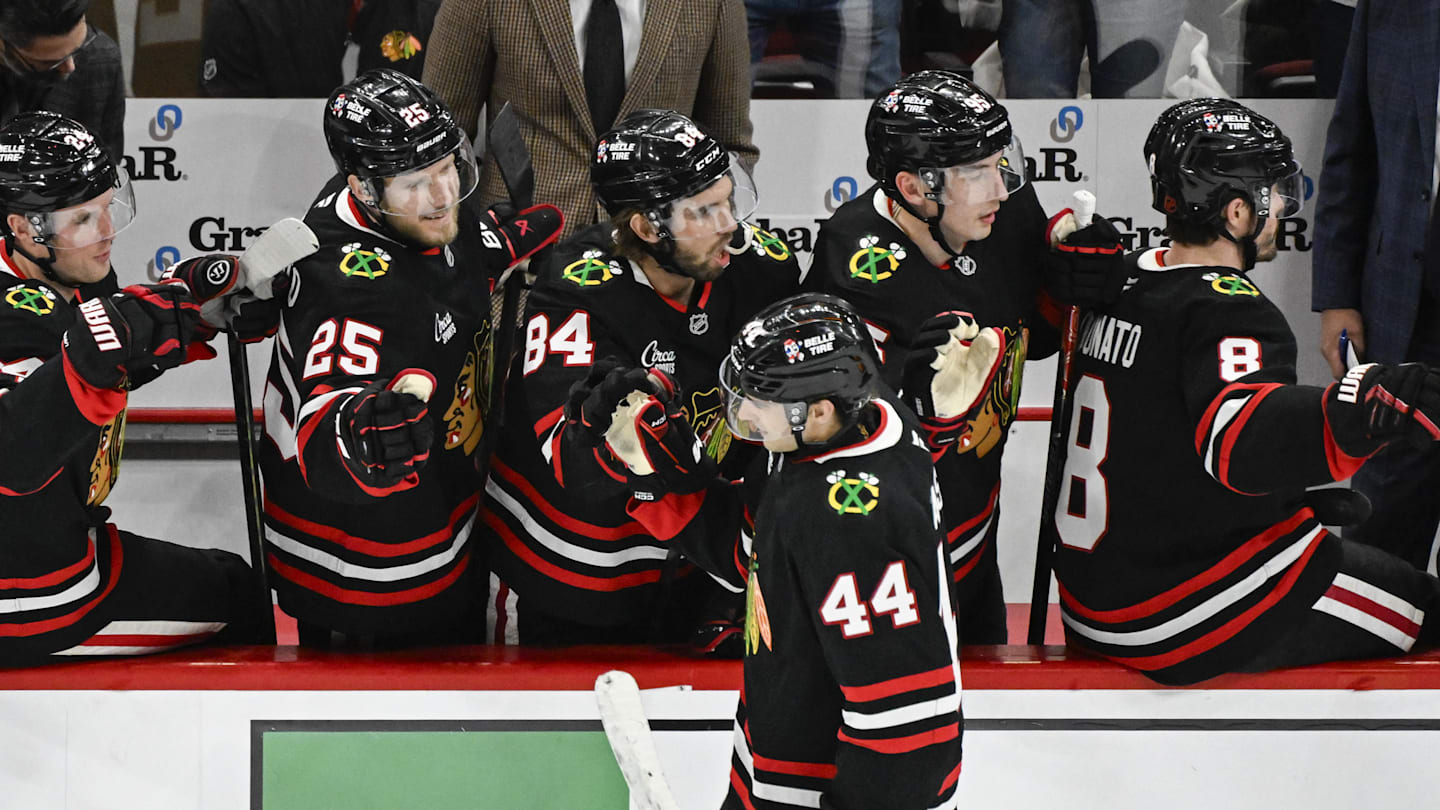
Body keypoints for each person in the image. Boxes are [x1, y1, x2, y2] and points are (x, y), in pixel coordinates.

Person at [1052, 98, 1440, 686]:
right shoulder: (1228, 309)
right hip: (1188, 610)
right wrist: (1367, 401)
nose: (1284, 205)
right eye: (1276, 191)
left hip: (1094, 602)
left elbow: (1158, 444)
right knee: (1428, 609)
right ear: (1237, 211)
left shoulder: (1124, 279)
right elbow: (1241, 441)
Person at [258, 69, 561, 646]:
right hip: (365, 566)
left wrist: (490, 249)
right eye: (419, 183)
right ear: (365, 189)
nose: (444, 195)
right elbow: (329, 410)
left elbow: (447, 253)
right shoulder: (347, 285)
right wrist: (356, 434)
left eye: (449, 168)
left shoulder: (386, 204)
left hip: (443, 522)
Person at [480, 108, 804, 645]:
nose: (730, 225)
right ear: (647, 228)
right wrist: (607, 431)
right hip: (572, 570)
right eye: (705, 211)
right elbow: (570, 458)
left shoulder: (760, 270)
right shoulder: (575, 290)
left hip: (696, 573)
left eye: (729, 200)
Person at [659, 293, 963, 808]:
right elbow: (761, 557)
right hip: (781, 742)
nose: (748, 414)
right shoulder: (851, 423)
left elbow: (907, 723)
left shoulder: (852, 522)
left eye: (761, 399)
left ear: (819, 409)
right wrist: (653, 478)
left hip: (821, 783)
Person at [0, 112, 265, 664]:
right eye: (82, 219)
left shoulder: (59, 272)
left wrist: (190, 311)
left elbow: (98, 352)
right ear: (24, 228)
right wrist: (111, 343)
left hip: (55, 539)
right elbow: (12, 451)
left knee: (231, 579)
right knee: (241, 596)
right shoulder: (14, 320)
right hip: (25, 589)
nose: (106, 233)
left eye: (106, 209)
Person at [811, 70, 1062, 644]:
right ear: (915, 186)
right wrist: (912, 400)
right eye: (976, 172)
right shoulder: (855, 262)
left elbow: (1040, 338)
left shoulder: (1008, 211)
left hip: (975, 526)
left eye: (1002, 162)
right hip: (883, 556)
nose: (1001, 186)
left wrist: (1075, 284)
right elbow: (836, 447)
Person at [422, 0, 756, 238]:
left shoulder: (712, 5)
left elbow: (728, 145)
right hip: (520, 266)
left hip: (660, 270)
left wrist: (697, 237)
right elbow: (437, 140)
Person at [1312, 0, 1440, 573]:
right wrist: (1337, 296)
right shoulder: (1392, 8)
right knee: (1380, 544)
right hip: (1406, 309)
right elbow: (1351, 154)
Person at [0, 0, 124, 160]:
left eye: (78, 48)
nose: (70, 67)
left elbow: (107, 170)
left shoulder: (98, 59)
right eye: (49, 62)